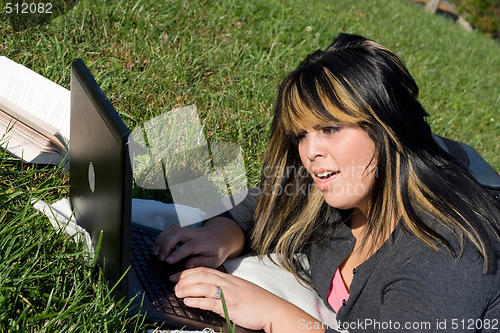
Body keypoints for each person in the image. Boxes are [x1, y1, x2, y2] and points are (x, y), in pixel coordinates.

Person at [153, 33, 500, 332]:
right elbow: (265, 203)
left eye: (330, 129)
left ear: (387, 129)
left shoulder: (448, 252)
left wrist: (275, 315)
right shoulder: (346, 184)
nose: (310, 151)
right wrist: (218, 235)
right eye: (301, 134)